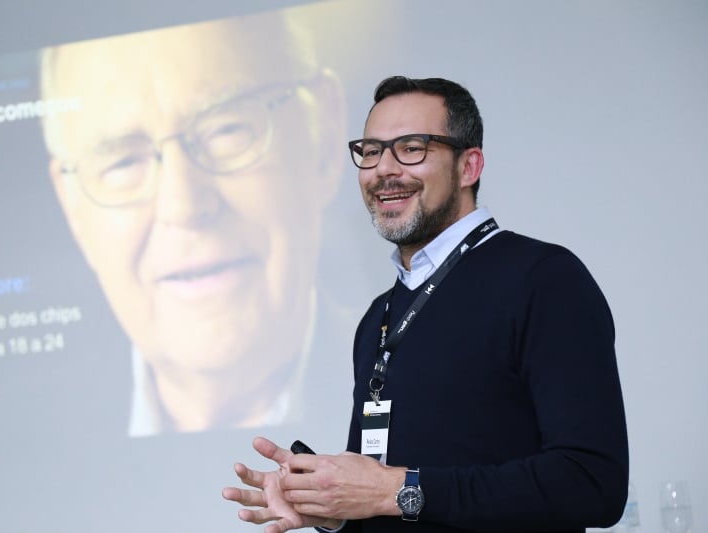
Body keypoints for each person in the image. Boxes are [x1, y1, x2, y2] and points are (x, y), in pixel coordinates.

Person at [222, 76, 629, 532]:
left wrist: (395, 489)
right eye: (371, 151)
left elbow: (593, 483)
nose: (384, 169)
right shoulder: (379, 316)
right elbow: (393, 502)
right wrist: (334, 509)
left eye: (411, 148)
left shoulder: (544, 279)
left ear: (468, 166)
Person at [38, 12, 352, 436]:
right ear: (72, 206)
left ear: (324, 139)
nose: (183, 206)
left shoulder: (443, 396)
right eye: (123, 162)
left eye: (226, 130)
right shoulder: (18, 445)